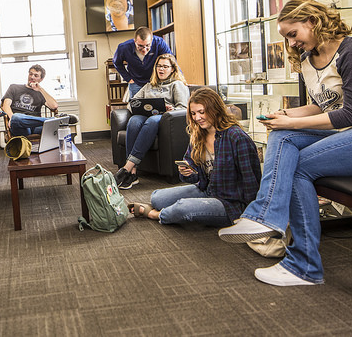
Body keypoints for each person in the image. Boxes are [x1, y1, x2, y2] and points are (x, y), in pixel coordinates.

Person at [218, 0, 352, 287]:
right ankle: (268, 219)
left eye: (293, 34)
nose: (291, 43)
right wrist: (286, 114)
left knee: (295, 165)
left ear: (313, 21)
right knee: (282, 136)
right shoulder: (308, 59)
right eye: (286, 37)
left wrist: (292, 122)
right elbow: (323, 107)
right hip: (345, 135)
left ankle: (301, 262)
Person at [128, 87, 261, 227]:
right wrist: (188, 172)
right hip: (208, 190)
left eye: (202, 112)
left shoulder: (237, 137)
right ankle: (165, 208)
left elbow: (251, 180)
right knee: (157, 198)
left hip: (230, 202)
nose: (197, 118)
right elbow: (193, 176)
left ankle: (155, 214)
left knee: (183, 208)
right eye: (193, 113)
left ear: (215, 109)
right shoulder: (198, 135)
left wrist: (251, 214)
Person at [114, 54, 189, 189]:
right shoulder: (149, 85)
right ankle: (133, 173)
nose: (161, 69)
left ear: (172, 69)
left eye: (165, 66)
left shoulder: (177, 85)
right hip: (146, 116)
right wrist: (139, 107)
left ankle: (128, 166)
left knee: (152, 121)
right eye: (159, 66)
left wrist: (171, 109)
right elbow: (132, 103)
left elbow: (183, 108)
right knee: (134, 121)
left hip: (164, 119)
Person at [1, 64, 77, 137]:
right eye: (30, 74)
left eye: (36, 75)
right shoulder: (14, 87)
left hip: (36, 127)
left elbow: (54, 106)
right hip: (19, 125)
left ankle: (55, 121)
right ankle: (55, 120)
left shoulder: (40, 93)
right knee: (16, 117)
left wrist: (40, 89)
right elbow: (6, 105)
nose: (32, 77)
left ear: (41, 79)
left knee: (56, 128)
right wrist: (11, 118)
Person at [112, 26, 174, 98]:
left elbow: (171, 61)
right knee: (136, 106)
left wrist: (179, 81)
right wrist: (128, 78)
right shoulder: (123, 47)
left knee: (157, 106)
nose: (144, 50)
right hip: (136, 82)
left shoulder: (159, 43)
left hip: (155, 81)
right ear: (135, 41)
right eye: (140, 46)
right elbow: (116, 63)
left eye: (147, 45)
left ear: (152, 40)